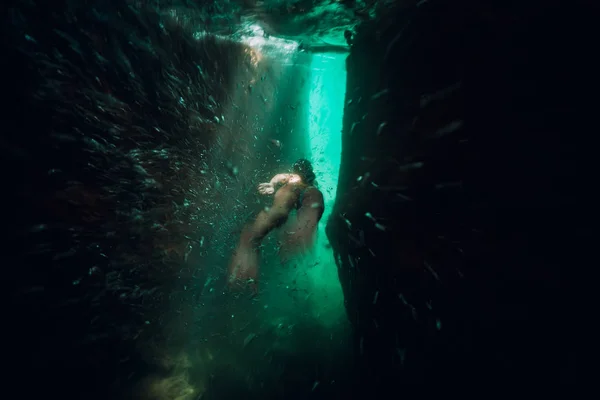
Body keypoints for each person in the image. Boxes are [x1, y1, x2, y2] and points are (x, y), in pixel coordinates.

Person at [227, 159, 324, 293]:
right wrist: (272, 184)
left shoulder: (304, 185)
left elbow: (314, 202)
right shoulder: (294, 179)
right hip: (281, 210)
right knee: (251, 237)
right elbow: (280, 177)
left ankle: (248, 284)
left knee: (251, 237)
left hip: (282, 210)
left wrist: (303, 226)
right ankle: (249, 284)